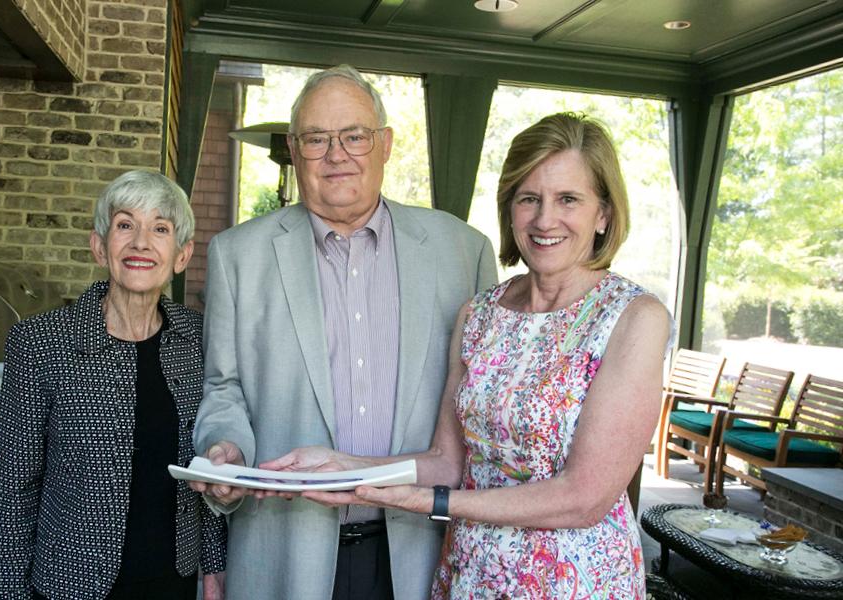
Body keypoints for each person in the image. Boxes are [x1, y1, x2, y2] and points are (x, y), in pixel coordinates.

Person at [262, 112, 673, 598]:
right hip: (471, 572)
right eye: (528, 199)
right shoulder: (480, 313)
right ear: (509, 208)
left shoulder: (634, 317)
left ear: (603, 213)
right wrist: (345, 465)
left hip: (574, 580)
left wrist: (428, 502)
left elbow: (583, 498)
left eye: (568, 200)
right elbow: (447, 461)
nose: (544, 220)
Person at [191, 65, 498, 600]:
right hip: (285, 552)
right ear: (293, 147)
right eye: (316, 139)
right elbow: (224, 387)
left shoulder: (463, 253)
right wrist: (227, 450)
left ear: (384, 144)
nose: (337, 154)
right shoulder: (238, 255)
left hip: (417, 552)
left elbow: (480, 411)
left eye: (354, 136)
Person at [0, 170, 227, 600]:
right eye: (125, 225)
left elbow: (207, 464)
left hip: (171, 584)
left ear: (183, 255)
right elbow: (11, 488)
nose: (141, 243)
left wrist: (214, 568)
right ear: (100, 246)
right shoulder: (41, 343)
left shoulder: (199, 341)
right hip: (69, 585)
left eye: (161, 229)